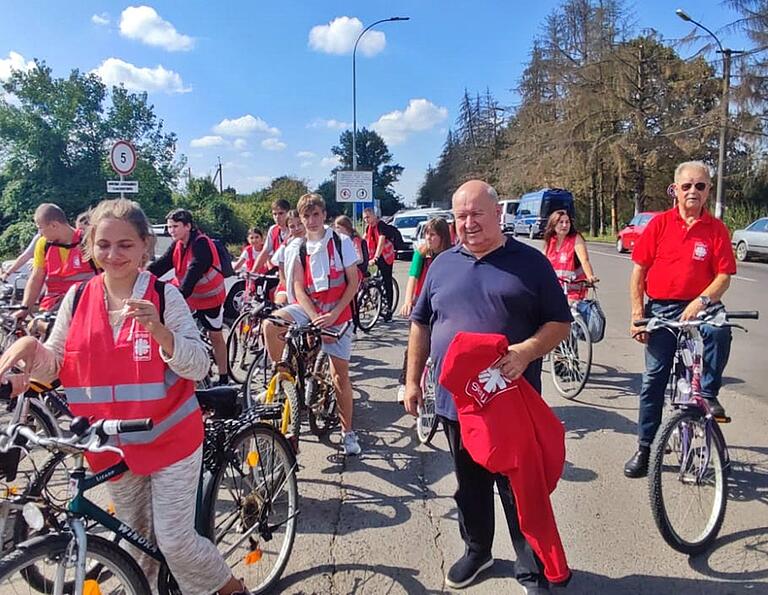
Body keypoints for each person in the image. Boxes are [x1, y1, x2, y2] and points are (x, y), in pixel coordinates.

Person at [0, 198, 250, 595]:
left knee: (174, 541)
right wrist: (32, 348)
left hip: (171, 440)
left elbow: (198, 365)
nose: (113, 254)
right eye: (103, 245)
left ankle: (233, 591)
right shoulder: (78, 298)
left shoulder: (164, 296)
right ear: (91, 247)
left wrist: (162, 334)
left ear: (145, 247)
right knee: (136, 545)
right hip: (112, 445)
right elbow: (59, 365)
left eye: (125, 245)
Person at [404, 180, 572, 592]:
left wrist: (526, 351)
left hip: (510, 404)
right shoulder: (441, 264)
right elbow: (421, 324)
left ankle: (531, 566)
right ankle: (477, 550)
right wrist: (411, 381)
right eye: (461, 215)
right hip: (455, 403)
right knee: (470, 484)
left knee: (519, 488)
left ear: (499, 214)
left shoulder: (530, 263)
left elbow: (559, 323)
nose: (468, 223)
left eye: (477, 213)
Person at [624, 161, 737, 478]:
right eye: (686, 186)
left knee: (720, 331)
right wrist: (637, 316)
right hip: (661, 308)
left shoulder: (716, 230)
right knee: (653, 380)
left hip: (701, 306)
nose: (693, 192)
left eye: (700, 186)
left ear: (708, 191)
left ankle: (708, 394)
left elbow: (724, 275)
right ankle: (646, 448)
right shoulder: (659, 224)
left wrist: (702, 301)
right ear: (675, 189)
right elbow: (639, 272)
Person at [263, 194, 361, 455]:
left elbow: (354, 283)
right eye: (306, 216)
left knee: (340, 375)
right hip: (311, 308)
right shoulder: (298, 247)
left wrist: (332, 315)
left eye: (316, 214)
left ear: (324, 214)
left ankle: (347, 432)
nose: (311, 220)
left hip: (337, 311)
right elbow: (297, 285)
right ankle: (284, 377)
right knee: (271, 326)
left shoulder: (342, 242)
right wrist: (314, 315)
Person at [148, 209, 229, 385]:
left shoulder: (201, 244)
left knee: (215, 336)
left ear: (188, 226)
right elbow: (161, 265)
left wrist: (176, 296)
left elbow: (194, 272)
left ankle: (224, 377)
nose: (171, 231)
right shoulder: (177, 244)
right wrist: (142, 276)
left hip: (210, 298)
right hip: (192, 297)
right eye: (169, 227)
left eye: (175, 226)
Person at [395, 217, 452, 403]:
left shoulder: (451, 255)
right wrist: (407, 301)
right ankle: (404, 383)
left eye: (433, 234)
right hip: (422, 301)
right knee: (415, 344)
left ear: (443, 236)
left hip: (442, 303)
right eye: (427, 234)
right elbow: (412, 277)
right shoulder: (421, 254)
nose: (428, 238)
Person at [15, 203, 97, 321]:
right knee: (38, 327)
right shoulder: (43, 244)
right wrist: (25, 308)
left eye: (40, 227)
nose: (40, 233)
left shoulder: (87, 242)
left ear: (54, 225)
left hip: (85, 304)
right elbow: (36, 278)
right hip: (52, 306)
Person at [542, 210, 598, 302]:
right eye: (561, 222)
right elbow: (542, 262)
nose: (565, 225)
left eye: (567, 222)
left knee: (572, 312)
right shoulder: (550, 240)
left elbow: (584, 260)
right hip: (553, 289)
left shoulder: (576, 238)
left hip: (573, 291)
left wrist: (590, 276)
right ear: (553, 224)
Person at [362, 207, 396, 321]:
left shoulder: (381, 225)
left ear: (374, 216)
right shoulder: (368, 228)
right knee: (369, 276)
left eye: (368, 217)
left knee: (387, 281)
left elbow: (381, 242)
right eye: (364, 218)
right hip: (375, 255)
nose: (366, 220)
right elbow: (364, 241)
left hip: (385, 255)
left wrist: (376, 258)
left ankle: (389, 310)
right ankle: (372, 296)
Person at [271, 210, 305, 305]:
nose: (297, 228)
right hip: (288, 286)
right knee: (279, 305)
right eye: (292, 226)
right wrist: (291, 292)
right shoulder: (285, 247)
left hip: (308, 286)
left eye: (300, 224)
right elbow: (282, 276)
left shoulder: (314, 242)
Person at [249, 199, 290, 275]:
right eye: (274, 214)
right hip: (279, 269)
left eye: (281, 213)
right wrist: (253, 272)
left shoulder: (295, 229)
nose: (277, 217)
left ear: (288, 213)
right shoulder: (273, 230)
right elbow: (265, 252)